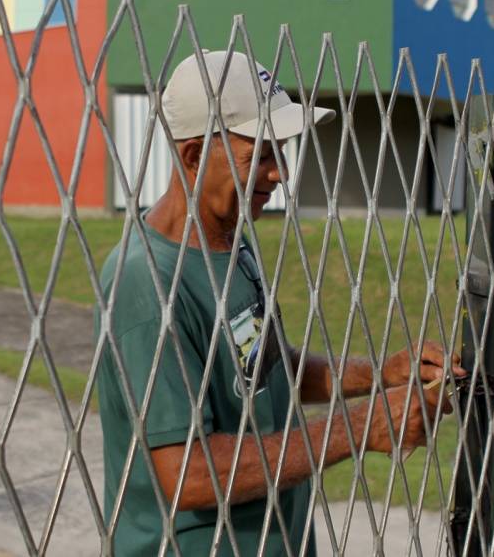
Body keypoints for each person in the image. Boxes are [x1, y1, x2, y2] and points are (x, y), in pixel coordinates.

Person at [95, 51, 466, 556]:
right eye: (261, 156)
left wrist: (382, 373)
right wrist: (359, 426)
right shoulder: (147, 281)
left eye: (281, 152)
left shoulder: (231, 244)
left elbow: (264, 368)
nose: (281, 174)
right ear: (194, 155)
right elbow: (188, 474)